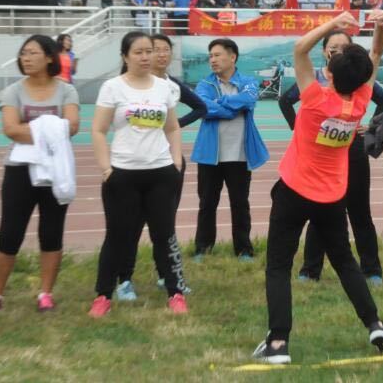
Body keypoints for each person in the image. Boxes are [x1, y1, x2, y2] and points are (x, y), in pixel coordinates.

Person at [253, 11, 383, 365]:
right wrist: (379, 27)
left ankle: (278, 342)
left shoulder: (314, 97)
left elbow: (300, 49)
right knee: (345, 262)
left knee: (278, 266)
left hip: (294, 191)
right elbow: (377, 53)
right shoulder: (360, 100)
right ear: (362, 78)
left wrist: (333, 24)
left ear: (329, 73)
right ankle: (375, 324)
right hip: (332, 197)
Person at [279, 31, 383, 284]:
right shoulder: (315, 85)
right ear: (324, 53)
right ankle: (311, 269)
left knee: (359, 212)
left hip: (351, 154)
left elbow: (382, 90)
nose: (338, 52)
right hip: (319, 160)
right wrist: (300, 130)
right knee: (320, 213)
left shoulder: (357, 84)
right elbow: (285, 101)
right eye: (333, 48)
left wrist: (373, 126)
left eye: (344, 48)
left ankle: (371, 269)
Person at [89, 32, 187, 317]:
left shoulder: (164, 88)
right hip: (123, 175)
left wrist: (176, 161)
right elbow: (98, 130)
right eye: (138, 52)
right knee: (117, 236)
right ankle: (103, 295)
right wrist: (106, 168)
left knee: (164, 235)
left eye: (149, 51)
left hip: (161, 174)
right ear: (125, 56)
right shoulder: (112, 87)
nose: (146, 57)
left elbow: (172, 127)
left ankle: (176, 292)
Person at [0, 36, 79, 314]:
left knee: (51, 232)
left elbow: (72, 127)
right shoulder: (13, 91)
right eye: (23, 53)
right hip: (19, 170)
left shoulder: (66, 91)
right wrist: (51, 129)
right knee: (10, 233)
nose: (26, 58)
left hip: (56, 169)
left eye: (33, 53)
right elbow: (11, 129)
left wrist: (33, 128)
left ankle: (45, 293)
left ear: (49, 57)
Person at [114, 34, 205, 300]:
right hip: (133, 164)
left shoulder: (170, 86)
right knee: (130, 225)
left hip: (166, 163)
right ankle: (124, 279)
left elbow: (200, 107)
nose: (161, 55)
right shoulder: (123, 85)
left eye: (166, 50)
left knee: (164, 226)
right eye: (155, 50)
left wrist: (173, 128)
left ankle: (167, 276)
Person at [191, 39, 269, 261]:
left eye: (217, 55)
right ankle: (203, 249)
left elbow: (248, 100)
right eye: (210, 56)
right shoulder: (204, 84)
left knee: (240, 204)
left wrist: (220, 103)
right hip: (210, 156)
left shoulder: (248, 82)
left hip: (240, 155)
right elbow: (204, 108)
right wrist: (232, 108)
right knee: (207, 204)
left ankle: (244, 249)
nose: (212, 60)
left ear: (232, 57)